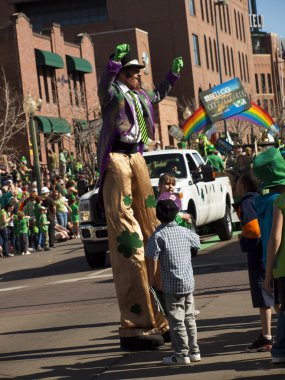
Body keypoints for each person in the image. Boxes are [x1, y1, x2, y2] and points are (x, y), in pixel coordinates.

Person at [97, 42, 182, 349]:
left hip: (138, 158)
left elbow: (158, 93)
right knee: (128, 241)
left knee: (152, 235)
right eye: (132, 71)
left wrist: (171, 77)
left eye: (138, 72)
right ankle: (135, 325)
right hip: (117, 159)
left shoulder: (141, 94)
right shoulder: (113, 93)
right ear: (123, 73)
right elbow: (105, 84)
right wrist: (113, 62)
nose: (137, 76)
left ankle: (162, 318)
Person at [146, 192, 201, 365]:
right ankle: (195, 351)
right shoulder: (185, 232)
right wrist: (190, 223)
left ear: (158, 215)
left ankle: (181, 354)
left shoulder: (158, 236)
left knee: (177, 321)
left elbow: (152, 259)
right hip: (188, 281)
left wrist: (151, 281)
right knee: (190, 317)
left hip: (171, 283)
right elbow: (197, 243)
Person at [234, 173, 277, 352]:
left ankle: (266, 336)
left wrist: (243, 239)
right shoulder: (261, 199)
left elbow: (253, 229)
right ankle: (268, 334)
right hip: (267, 252)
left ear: (243, 186)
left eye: (237, 184)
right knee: (274, 294)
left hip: (257, 254)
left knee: (264, 296)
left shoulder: (246, 202)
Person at [260, 150, 285, 364]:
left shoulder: (279, 203)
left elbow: (274, 239)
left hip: (282, 266)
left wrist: (268, 272)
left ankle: (279, 350)